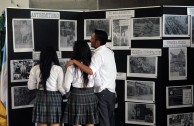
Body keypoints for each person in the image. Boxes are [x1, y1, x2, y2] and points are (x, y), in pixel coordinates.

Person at [65, 29, 117, 126]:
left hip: (102, 92)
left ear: (97, 42)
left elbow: (90, 71)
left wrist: (75, 62)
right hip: (111, 91)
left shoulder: (98, 55)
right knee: (109, 121)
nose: (90, 40)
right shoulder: (110, 52)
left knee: (104, 122)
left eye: (92, 38)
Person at [62, 40, 101, 126]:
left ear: (75, 51)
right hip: (90, 97)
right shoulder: (93, 66)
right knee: (90, 124)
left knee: (76, 123)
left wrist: (69, 95)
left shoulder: (71, 67)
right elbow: (98, 84)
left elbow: (66, 86)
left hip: (76, 97)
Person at [28, 46, 65, 126]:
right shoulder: (58, 69)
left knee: (42, 123)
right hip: (55, 98)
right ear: (54, 56)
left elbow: (30, 87)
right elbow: (60, 88)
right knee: (55, 123)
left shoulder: (35, 68)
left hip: (40, 97)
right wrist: (65, 94)